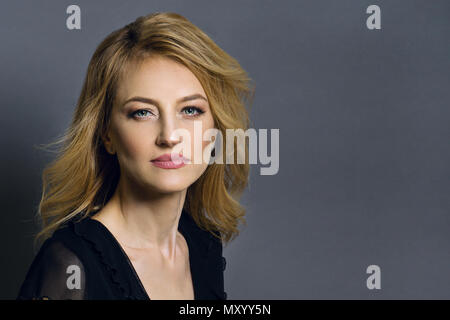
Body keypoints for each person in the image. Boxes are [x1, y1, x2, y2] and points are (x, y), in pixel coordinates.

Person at [17, 12, 254, 300]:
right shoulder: (71, 266)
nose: (169, 136)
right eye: (142, 112)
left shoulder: (203, 246)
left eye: (190, 110)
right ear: (107, 134)